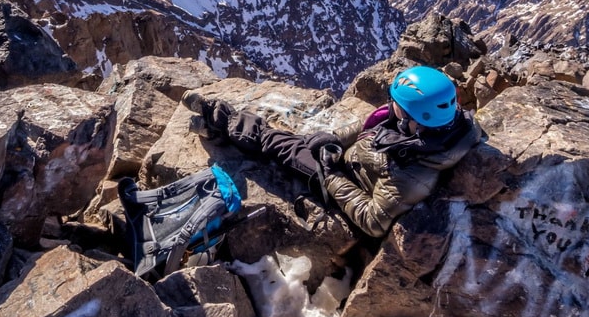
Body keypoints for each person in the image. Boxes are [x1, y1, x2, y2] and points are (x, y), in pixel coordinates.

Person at [183, 66, 484, 238]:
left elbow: (373, 222)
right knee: (282, 141)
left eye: (398, 103)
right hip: (343, 161)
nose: (391, 104)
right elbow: (372, 129)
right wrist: (332, 140)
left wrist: (330, 174)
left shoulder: (414, 173)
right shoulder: (429, 127)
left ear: (414, 116)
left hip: (339, 181)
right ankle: (217, 122)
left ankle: (216, 119)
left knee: (274, 143)